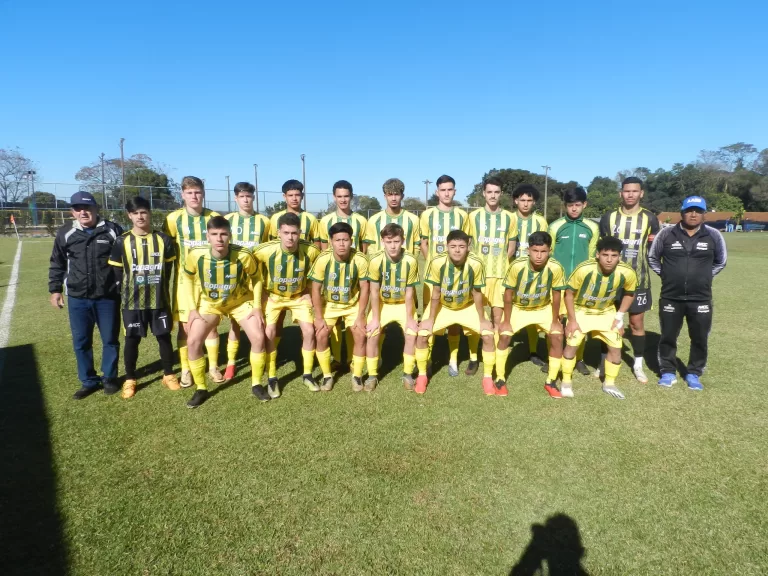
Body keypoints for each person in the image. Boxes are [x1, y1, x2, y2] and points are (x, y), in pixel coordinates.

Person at [181, 216, 267, 408]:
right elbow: (187, 277)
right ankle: (201, 388)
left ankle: (257, 384)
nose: (219, 238)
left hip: (238, 302)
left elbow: (257, 278)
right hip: (210, 305)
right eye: (214, 234)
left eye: (223, 234)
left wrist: (256, 307)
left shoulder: (243, 255)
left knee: (258, 337)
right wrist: (192, 309)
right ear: (208, 236)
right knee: (193, 341)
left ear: (229, 235)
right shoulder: (196, 254)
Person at [48, 191, 123, 399]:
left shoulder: (113, 230)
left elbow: (125, 260)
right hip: (78, 297)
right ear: (72, 212)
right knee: (81, 341)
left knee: (110, 339)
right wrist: (55, 289)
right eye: (78, 208)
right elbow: (57, 262)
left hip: (107, 297)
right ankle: (88, 381)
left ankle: (109, 378)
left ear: (96, 209)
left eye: (87, 207)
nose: (83, 211)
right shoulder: (65, 233)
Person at [648, 196, 727, 390]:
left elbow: (721, 261)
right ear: (682, 212)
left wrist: (705, 278)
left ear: (704, 214)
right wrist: (666, 276)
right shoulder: (666, 234)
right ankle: (667, 371)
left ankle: (694, 373)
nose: (693, 214)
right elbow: (652, 258)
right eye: (690, 210)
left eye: (698, 211)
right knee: (668, 336)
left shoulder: (714, 235)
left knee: (699, 337)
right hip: (671, 296)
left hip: (700, 298)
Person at [108, 196, 178, 399]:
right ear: (129, 215)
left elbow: (168, 268)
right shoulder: (122, 241)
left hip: (159, 299)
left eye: (144, 212)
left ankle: (168, 374)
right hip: (132, 301)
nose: (140, 216)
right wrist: (127, 289)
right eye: (136, 213)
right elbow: (117, 272)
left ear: (150, 213)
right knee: (132, 340)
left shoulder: (163, 240)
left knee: (164, 337)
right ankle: (130, 379)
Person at [415, 230, 494, 395]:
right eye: (453, 246)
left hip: (467, 305)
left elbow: (477, 293)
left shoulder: (476, 263)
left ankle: (487, 378)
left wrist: (482, 319)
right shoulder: (437, 262)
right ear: (447, 247)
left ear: (468, 247)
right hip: (443, 306)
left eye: (461, 246)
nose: (457, 250)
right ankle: (422, 376)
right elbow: (435, 293)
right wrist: (430, 318)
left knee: (487, 334)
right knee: (423, 334)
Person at [599, 177, 660, 384]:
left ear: (641, 193)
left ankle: (638, 365)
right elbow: (602, 247)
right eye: (627, 191)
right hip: (611, 279)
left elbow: (654, 249)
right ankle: (602, 361)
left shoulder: (650, 219)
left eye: (635, 191)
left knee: (636, 323)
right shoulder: (608, 218)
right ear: (621, 193)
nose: (630, 195)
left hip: (639, 279)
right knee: (607, 321)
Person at [253, 212, 321, 397]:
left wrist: (308, 290)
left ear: (300, 232)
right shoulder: (265, 250)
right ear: (278, 233)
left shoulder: (311, 250)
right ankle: (272, 377)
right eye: (286, 233)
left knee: (309, 331)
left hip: (298, 297)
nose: (290, 237)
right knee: (269, 332)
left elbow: (317, 272)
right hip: (274, 297)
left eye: (294, 233)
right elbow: (247, 264)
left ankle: (307, 374)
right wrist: (260, 296)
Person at [560, 237, 637, 399]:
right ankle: (566, 381)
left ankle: (609, 383)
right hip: (581, 309)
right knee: (572, 343)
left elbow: (630, 294)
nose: (609, 259)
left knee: (616, 347)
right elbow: (569, 294)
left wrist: (620, 316)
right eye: (605, 255)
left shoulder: (627, 272)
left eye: (614, 255)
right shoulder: (584, 269)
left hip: (606, 311)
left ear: (619, 257)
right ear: (597, 255)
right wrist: (572, 320)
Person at [163, 176, 221, 386]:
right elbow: (167, 251)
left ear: (203, 193)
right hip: (184, 282)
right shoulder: (173, 219)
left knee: (211, 325)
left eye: (197, 192)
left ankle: (213, 366)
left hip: (209, 281)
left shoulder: (213, 216)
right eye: (189, 193)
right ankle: (186, 369)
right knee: (185, 327)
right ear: (183, 195)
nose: (194, 196)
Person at [494, 231, 566, 398]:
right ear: (528, 250)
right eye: (535, 251)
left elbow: (556, 296)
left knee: (556, 335)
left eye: (543, 251)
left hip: (542, 308)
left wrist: (555, 320)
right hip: (520, 307)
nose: (539, 256)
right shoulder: (517, 266)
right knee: (504, 335)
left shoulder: (555, 267)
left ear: (550, 251)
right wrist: (506, 320)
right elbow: (508, 294)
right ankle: (499, 378)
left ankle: (551, 381)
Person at [464, 176, 516, 377]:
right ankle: (473, 357)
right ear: (484, 194)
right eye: (489, 192)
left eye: (496, 192)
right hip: (479, 275)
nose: (493, 195)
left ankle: (492, 355)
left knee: (497, 316)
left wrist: (502, 262)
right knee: (477, 316)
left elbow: (511, 246)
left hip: (500, 275)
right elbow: (468, 244)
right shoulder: (473, 216)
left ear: (500, 194)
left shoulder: (509, 218)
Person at [309, 222, 370, 392]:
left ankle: (356, 376)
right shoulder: (323, 259)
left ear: (351, 241)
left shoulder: (360, 259)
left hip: (352, 305)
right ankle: (327, 376)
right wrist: (319, 317)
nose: (341, 244)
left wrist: (361, 315)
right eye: (337, 240)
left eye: (345, 239)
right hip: (330, 305)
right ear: (330, 241)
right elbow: (315, 289)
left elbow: (365, 288)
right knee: (320, 334)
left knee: (360, 333)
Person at [419, 175, 470, 374]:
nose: (447, 193)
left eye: (450, 189)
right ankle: (429, 358)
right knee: (429, 316)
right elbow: (423, 243)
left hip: (456, 274)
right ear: (437, 192)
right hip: (434, 275)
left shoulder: (462, 216)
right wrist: (433, 263)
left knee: (455, 318)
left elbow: (466, 244)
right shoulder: (427, 215)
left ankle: (453, 360)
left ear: (454, 191)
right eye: (443, 190)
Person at [318, 180, 372, 368]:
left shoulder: (361, 221)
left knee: (353, 323)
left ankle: (350, 359)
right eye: (339, 196)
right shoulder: (325, 221)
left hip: (354, 277)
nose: (343, 200)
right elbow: (324, 250)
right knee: (332, 324)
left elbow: (363, 250)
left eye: (346, 196)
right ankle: (337, 359)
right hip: (333, 278)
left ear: (351, 196)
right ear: (334, 197)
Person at [548, 187, 600, 376]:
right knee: (557, 321)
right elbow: (550, 255)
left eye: (578, 205)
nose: (574, 209)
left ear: (584, 205)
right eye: (570, 205)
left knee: (579, 321)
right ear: (565, 206)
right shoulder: (555, 226)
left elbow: (594, 255)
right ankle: (554, 356)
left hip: (581, 284)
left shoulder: (592, 227)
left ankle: (579, 358)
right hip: (559, 283)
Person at [223, 181, 271, 380]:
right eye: (242, 196)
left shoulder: (264, 221)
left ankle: (262, 358)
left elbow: (268, 251)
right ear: (236, 198)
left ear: (253, 197)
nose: (245, 200)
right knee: (235, 323)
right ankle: (231, 362)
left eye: (249, 196)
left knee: (260, 321)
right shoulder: (227, 220)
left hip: (257, 279)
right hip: (236, 280)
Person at [365, 223, 420, 390]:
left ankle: (408, 373)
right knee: (372, 333)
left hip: (403, 304)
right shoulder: (375, 260)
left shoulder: (410, 260)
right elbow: (374, 292)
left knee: (411, 333)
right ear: (382, 241)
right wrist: (375, 318)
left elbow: (410, 292)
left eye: (396, 241)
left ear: (403, 241)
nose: (393, 245)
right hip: (383, 304)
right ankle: (372, 375)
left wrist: (410, 318)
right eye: (389, 242)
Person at [510, 183, 550, 367]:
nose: (525, 204)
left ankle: (533, 350)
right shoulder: (508, 219)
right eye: (522, 200)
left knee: (534, 308)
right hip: (511, 270)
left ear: (534, 203)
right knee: (505, 308)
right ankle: (504, 342)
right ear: (515, 200)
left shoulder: (540, 221)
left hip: (533, 272)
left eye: (529, 200)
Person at [366, 178, 421, 256]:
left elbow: (416, 246)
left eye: (397, 194)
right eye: (390, 195)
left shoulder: (413, 219)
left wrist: (411, 263)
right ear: (385, 196)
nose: (394, 198)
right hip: (381, 267)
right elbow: (371, 248)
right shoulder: (373, 220)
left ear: (402, 196)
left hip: (406, 266)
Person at [268, 179, 321, 245]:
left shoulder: (311, 219)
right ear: (284, 196)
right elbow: (272, 243)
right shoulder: (275, 218)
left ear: (302, 196)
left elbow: (317, 244)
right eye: (290, 195)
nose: (294, 199)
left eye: (297, 195)